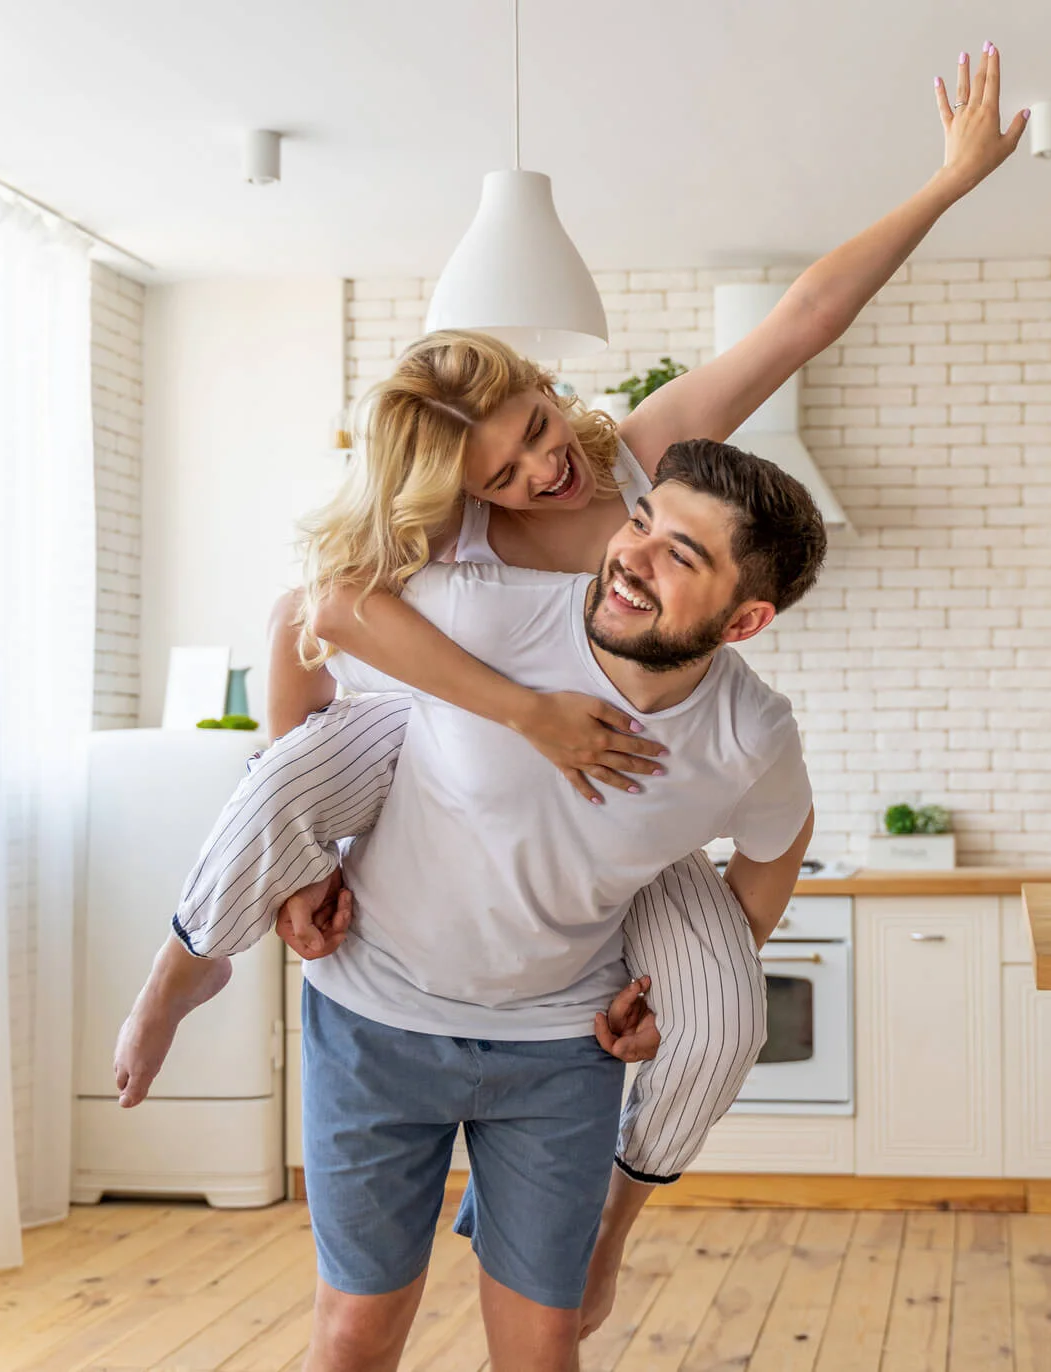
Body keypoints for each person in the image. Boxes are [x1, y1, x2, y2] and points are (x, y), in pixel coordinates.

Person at [110, 41, 1027, 1365]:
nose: (553, 467)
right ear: (461, 488)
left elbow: (802, 321)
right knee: (313, 774)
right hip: (423, 806)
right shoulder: (448, 558)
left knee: (716, 1003)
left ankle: (615, 1221)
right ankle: (179, 971)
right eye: (514, 465)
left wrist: (944, 185)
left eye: (543, 423)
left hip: (581, 921)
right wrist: (318, 851)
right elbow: (300, 626)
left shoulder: (636, 465)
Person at [190, 442, 826, 1371]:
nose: (632, 555)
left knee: (542, 1348)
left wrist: (682, 983)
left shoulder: (750, 733)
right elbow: (305, 617)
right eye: (642, 522)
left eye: (682, 555)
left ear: (745, 620)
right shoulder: (491, 611)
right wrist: (299, 865)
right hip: (379, 1017)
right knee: (356, 1333)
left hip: (561, 1050)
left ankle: (603, 1235)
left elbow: (779, 845)